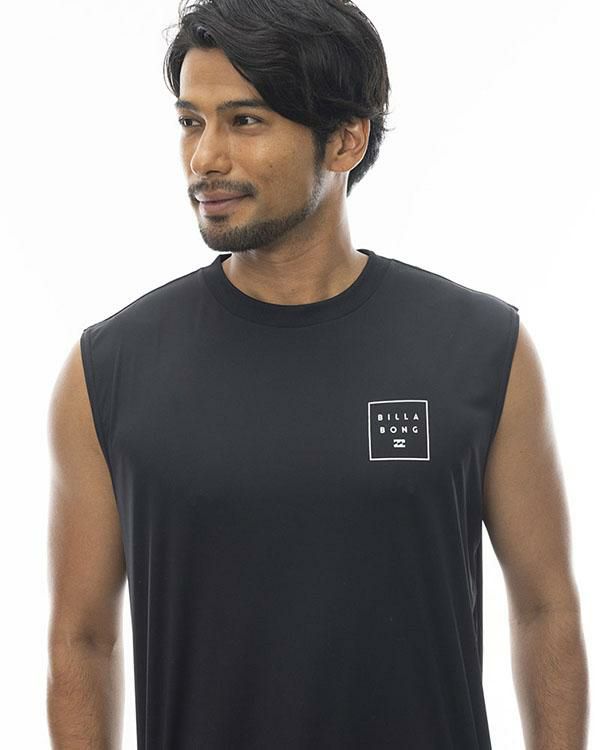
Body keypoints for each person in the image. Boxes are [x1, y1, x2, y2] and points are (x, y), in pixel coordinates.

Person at [46, 1, 588, 748]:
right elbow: (80, 640)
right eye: (191, 122)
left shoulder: (481, 348)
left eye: (244, 121)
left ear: (344, 140)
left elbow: (546, 610)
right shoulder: (109, 368)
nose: (205, 158)